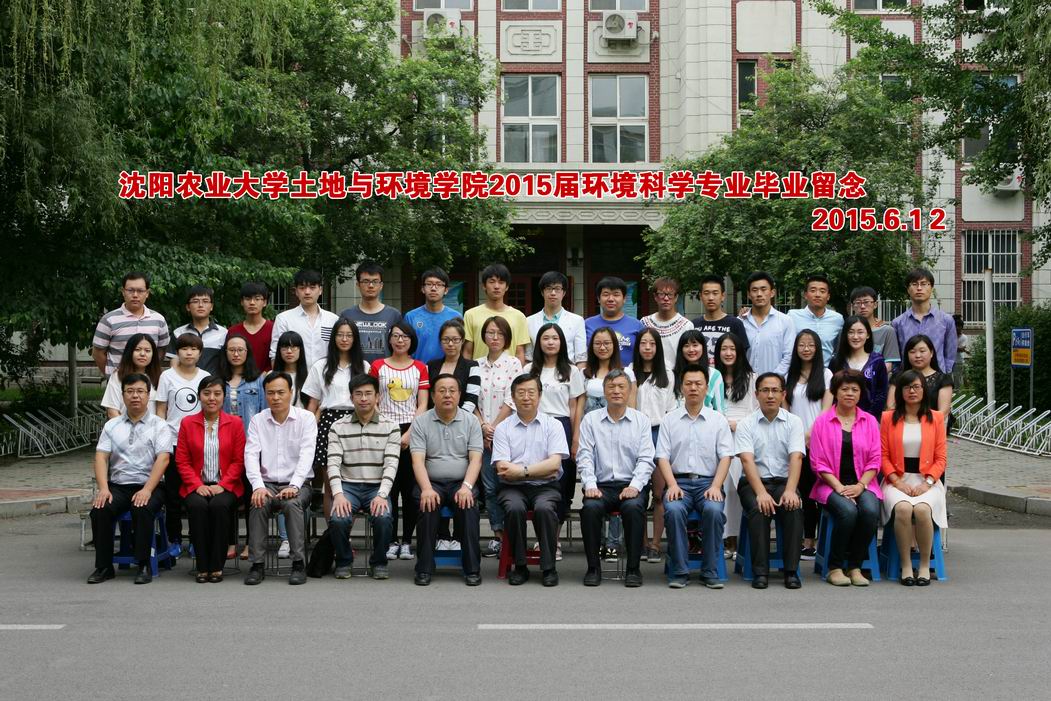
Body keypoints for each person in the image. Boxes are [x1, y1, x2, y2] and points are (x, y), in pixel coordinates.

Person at [86, 373, 171, 585]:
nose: (135, 396)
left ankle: (143, 564)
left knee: (141, 508)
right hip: (119, 486)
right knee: (100, 510)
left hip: (151, 485)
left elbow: (163, 459)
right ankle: (104, 566)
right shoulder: (112, 425)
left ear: (148, 395)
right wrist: (103, 488)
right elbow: (101, 457)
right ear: (123, 395)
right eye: (130, 391)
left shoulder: (159, 425)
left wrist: (147, 489)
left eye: (140, 391)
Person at [657, 364, 735, 589]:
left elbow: (726, 457)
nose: (693, 388)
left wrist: (716, 486)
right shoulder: (670, 420)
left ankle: (709, 571)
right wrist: (671, 485)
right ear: (681, 387)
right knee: (673, 510)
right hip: (678, 482)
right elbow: (662, 457)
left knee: (713, 510)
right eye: (689, 383)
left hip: (708, 483)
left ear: (706, 388)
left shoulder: (717, 420)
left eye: (698, 384)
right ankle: (680, 571)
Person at [576, 369, 654, 587]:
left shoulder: (641, 421)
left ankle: (633, 569)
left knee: (633, 508)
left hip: (630, 484)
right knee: (590, 508)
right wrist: (590, 484)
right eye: (611, 387)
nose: (616, 391)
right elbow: (584, 456)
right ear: (604, 391)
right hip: (601, 485)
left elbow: (646, 459)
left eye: (621, 387)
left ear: (629, 391)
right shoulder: (591, 420)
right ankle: (593, 567)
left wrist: (635, 486)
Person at [492, 374, 569, 586]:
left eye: (531, 392)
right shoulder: (503, 428)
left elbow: (554, 465)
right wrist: (538, 470)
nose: (526, 397)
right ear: (513, 397)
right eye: (521, 393)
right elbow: (503, 469)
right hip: (512, 488)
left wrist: (521, 471)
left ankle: (549, 567)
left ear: (540, 395)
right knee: (514, 508)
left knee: (544, 508)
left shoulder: (553, 425)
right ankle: (520, 565)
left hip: (546, 487)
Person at [808, 369, 883, 587]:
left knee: (870, 511)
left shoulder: (870, 421)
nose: (849, 393)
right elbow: (818, 462)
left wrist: (860, 486)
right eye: (844, 389)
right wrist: (839, 487)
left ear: (861, 393)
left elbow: (875, 460)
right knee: (848, 512)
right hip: (830, 484)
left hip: (863, 483)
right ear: (835, 392)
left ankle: (855, 566)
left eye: (855, 389)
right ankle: (835, 567)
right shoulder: (822, 422)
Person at [243, 372, 317, 586]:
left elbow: (307, 454)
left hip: (299, 483)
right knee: (258, 503)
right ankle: (257, 564)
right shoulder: (258, 420)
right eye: (270, 393)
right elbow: (250, 455)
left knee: (292, 504)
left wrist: (294, 485)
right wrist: (258, 486)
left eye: (281, 392)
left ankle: (298, 563)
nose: (275, 397)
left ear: (291, 393)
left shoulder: (306, 418)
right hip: (267, 484)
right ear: (265, 394)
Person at [411, 374, 485, 586]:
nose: (447, 395)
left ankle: (472, 568)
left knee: (468, 506)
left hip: (462, 482)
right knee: (427, 504)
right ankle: (424, 568)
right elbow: (417, 461)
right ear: (433, 395)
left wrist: (467, 487)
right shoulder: (421, 422)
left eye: (452, 390)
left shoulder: (471, 421)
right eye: (442, 390)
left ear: (459, 395)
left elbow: (476, 460)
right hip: (431, 482)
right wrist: (426, 489)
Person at [734, 372, 806, 589]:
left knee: (793, 507)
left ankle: (791, 571)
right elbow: (746, 460)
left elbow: (796, 457)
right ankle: (760, 572)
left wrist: (791, 490)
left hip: (784, 482)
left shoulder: (794, 422)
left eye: (775, 390)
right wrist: (761, 493)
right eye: (765, 390)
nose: (770, 395)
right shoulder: (746, 424)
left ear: (783, 394)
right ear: (756, 394)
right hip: (753, 483)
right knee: (759, 508)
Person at [326, 374, 400, 581]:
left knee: (383, 517)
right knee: (338, 519)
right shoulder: (338, 427)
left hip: (376, 486)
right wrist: (338, 494)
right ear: (351, 398)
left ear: (377, 396)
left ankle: (379, 562)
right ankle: (344, 561)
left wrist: (382, 495)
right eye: (358, 394)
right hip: (348, 486)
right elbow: (333, 463)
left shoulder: (391, 426)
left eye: (368, 393)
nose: (364, 398)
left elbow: (391, 464)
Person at [880, 370, 949, 586]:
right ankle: (906, 565)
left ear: (924, 390)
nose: (912, 391)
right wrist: (897, 482)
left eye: (917, 386)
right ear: (900, 391)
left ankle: (925, 566)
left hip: (927, 481)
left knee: (921, 510)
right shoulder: (888, 418)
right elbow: (883, 455)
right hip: (896, 480)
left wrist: (927, 483)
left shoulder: (936, 418)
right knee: (902, 508)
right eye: (907, 387)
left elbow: (941, 458)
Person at [523, 323, 586, 559]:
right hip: (534, 426)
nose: (550, 342)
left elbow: (575, 406)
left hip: (562, 427)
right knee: (536, 483)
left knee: (561, 484)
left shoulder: (571, 370)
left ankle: (554, 540)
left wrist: (575, 436)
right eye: (546, 338)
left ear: (562, 343)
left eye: (555, 338)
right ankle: (541, 538)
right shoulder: (529, 369)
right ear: (538, 342)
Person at [175, 376, 245, 583]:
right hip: (196, 485)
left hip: (227, 486)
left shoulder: (235, 423)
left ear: (224, 396)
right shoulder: (187, 423)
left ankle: (216, 566)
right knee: (197, 506)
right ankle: (202, 566)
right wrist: (197, 485)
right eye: (206, 393)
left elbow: (238, 461)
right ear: (199, 396)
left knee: (219, 506)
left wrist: (223, 485)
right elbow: (182, 461)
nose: (211, 398)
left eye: (217, 393)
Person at [369, 321, 430, 561]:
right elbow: (373, 400)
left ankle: (406, 541)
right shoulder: (378, 366)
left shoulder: (420, 368)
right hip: (384, 429)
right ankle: (391, 540)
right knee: (389, 488)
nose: (400, 340)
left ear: (411, 340)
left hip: (412, 430)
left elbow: (423, 404)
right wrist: (388, 429)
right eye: (395, 336)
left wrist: (409, 433)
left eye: (405, 336)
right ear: (389, 339)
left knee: (410, 488)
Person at [303, 317, 369, 514]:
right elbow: (313, 403)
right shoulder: (321, 366)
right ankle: (332, 531)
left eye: (349, 335)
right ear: (333, 338)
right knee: (330, 484)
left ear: (355, 339)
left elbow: (372, 400)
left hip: (356, 421)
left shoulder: (364, 366)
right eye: (340, 335)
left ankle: (345, 531)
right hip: (328, 423)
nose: (344, 339)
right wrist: (308, 429)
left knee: (351, 485)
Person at [155, 333, 210, 554]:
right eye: (185, 348)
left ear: (200, 353)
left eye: (194, 349)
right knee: (173, 494)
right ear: (177, 352)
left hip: (198, 443)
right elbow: (161, 410)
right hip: (172, 442)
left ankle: (197, 539)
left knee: (197, 493)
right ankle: (175, 539)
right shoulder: (166, 376)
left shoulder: (205, 377)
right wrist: (160, 440)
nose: (189, 353)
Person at [475, 316, 523, 560]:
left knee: (508, 483)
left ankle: (513, 535)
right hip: (480, 434)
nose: (494, 337)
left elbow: (512, 399)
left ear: (507, 338)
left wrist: (493, 428)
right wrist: (483, 427)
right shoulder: (475, 365)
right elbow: (471, 400)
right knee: (489, 487)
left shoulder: (514, 363)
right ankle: (497, 536)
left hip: (506, 434)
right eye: (490, 332)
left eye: (500, 333)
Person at [784, 329, 833, 559]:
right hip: (796, 443)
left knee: (819, 491)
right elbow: (786, 410)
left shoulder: (826, 374)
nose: (806, 349)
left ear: (817, 349)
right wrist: (798, 437)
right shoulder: (789, 376)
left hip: (820, 442)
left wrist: (810, 434)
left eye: (811, 345)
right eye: (802, 344)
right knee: (803, 491)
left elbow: (826, 410)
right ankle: (807, 541)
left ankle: (822, 540)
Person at [217, 334, 265, 561]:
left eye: (240, 350)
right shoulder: (218, 381)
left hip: (251, 446)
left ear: (247, 353)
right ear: (225, 353)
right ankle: (229, 541)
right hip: (224, 446)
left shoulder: (258, 381)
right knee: (227, 495)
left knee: (250, 497)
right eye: (232, 350)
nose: (236, 354)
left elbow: (264, 414)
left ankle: (250, 542)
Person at [632, 327, 677, 563]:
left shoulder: (667, 374)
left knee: (659, 494)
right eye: (643, 343)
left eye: (652, 344)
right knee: (638, 492)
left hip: (660, 433)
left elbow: (671, 410)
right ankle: (640, 543)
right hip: (636, 433)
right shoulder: (630, 372)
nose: (648, 348)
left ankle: (656, 544)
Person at [714, 332, 759, 558]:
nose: (728, 353)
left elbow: (757, 411)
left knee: (738, 487)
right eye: (724, 349)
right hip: (718, 435)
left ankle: (740, 540)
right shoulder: (713, 377)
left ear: (740, 352)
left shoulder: (751, 378)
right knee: (722, 487)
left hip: (743, 436)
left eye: (732, 348)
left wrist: (737, 425)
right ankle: (725, 540)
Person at [92, 272, 171, 377]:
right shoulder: (109, 320)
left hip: (148, 381)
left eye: (140, 291)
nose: (135, 295)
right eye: (130, 290)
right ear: (123, 292)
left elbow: (162, 349)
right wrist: (111, 376)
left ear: (147, 293)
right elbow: (98, 353)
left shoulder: (159, 320)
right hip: (118, 381)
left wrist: (152, 371)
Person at [269, 268, 339, 369]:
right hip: (294, 376)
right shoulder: (284, 319)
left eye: (312, 287)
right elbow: (275, 354)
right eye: (302, 288)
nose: (307, 292)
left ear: (320, 290)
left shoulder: (333, 319)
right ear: (296, 291)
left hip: (325, 376)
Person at [891, 268, 957, 373]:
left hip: (938, 379)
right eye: (914, 284)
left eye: (924, 284)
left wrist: (944, 375)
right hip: (908, 379)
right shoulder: (897, 323)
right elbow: (895, 358)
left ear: (931, 288)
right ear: (908, 289)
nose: (919, 288)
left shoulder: (946, 320)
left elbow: (950, 355)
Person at [462, 263, 529, 364]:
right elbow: (467, 352)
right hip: (479, 371)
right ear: (484, 286)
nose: (496, 286)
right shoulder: (470, 315)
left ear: (507, 287)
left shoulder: (518, 316)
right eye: (492, 282)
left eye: (501, 282)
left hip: (509, 372)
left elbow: (519, 353)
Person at [340, 261, 403, 365]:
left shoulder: (394, 315)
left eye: (375, 281)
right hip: (354, 370)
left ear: (381, 285)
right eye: (366, 281)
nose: (370, 285)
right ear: (358, 285)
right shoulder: (347, 315)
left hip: (385, 371)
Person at [829, 316, 888, 419]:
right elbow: (831, 392)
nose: (855, 337)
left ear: (868, 334)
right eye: (851, 332)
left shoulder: (877, 361)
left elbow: (881, 393)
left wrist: (869, 418)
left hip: (869, 419)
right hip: (841, 419)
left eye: (860, 332)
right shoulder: (836, 361)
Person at [526, 271, 587, 365]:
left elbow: (581, 358)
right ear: (542, 292)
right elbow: (528, 357)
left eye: (557, 289)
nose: (553, 293)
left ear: (564, 293)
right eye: (549, 288)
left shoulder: (577, 321)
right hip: (538, 371)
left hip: (567, 371)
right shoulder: (529, 321)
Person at [740, 271, 795, 377]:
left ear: (772, 292)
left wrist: (773, 379)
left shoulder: (785, 321)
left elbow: (789, 356)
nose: (759, 294)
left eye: (763, 289)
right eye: (754, 290)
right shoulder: (740, 322)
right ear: (749, 294)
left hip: (775, 383)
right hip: (745, 382)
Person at [404, 267, 463, 365]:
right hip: (418, 370)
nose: (433, 288)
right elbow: (405, 348)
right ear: (423, 289)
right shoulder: (411, 317)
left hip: (446, 370)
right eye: (429, 284)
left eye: (439, 284)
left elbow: (460, 347)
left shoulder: (456, 316)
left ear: (446, 290)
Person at [887, 334, 954, 417]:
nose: (918, 356)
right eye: (912, 352)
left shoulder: (943, 380)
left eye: (922, 351)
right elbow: (891, 407)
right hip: (902, 423)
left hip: (933, 423)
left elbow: (943, 412)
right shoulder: (898, 378)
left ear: (931, 353)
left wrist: (920, 423)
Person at [166, 284, 227, 374]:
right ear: (188, 307)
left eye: (205, 301)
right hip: (185, 382)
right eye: (195, 301)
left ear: (211, 306)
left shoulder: (223, 333)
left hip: (214, 382)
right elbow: (174, 365)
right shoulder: (178, 333)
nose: (200, 305)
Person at [585, 276, 644, 368]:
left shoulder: (637, 326)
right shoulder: (587, 325)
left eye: (616, 294)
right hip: (595, 375)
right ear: (598, 299)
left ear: (624, 298)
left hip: (627, 375)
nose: (611, 299)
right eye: (606, 294)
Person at [787, 274, 843, 368]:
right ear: (805, 295)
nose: (817, 295)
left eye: (822, 291)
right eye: (813, 290)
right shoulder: (792, 316)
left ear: (828, 296)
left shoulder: (837, 319)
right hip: (798, 371)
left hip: (826, 372)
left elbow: (840, 348)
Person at [693, 274, 749, 366]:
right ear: (701, 296)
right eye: (706, 293)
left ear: (723, 296)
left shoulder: (735, 324)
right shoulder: (693, 325)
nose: (711, 298)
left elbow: (741, 356)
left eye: (715, 293)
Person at [426, 320, 480, 417]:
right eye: (446, 339)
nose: (450, 344)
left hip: (462, 420)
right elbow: (426, 398)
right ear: (440, 341)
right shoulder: (430, 366)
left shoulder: (472, 366)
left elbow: (471, 399)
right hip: (432, 419)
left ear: (462, 341)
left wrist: (457, 419)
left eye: (455, 339)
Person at [101, 333, 162, 419]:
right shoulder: (118, 376)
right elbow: (112, 411)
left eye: (147, 350)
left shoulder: (161, 378)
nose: (142, 354)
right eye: (137, 349)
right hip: (123, 426)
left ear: (153, 354)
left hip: (153, 427)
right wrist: (125, 427)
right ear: (129, 352)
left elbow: (162, 410)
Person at [642, 277, 693, 372]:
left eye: (670, 294)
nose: (666, 298)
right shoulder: (644, 323)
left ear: (676, 297)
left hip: (677, 375)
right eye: (661, 294)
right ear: (655, 297)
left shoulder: (686, 325)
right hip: (649, 375)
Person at [672, 329, 725, 412]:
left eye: (695, 345)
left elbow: (719, 409)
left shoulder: (714, 375)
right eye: (686, 346)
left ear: (703, 347)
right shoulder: (672, 375)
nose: (691, 349)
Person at [849, 286, 899, 373]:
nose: (862, 306)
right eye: (858, 303)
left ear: (875, 304)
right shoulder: (846, 331)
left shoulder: (887, 331)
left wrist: (868, 376)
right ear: (852, 306)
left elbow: (889, 363)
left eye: (866, 302)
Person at [228, 281, 274, 373]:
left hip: (267, 379)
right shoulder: (233, 331)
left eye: (257, 299)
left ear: (265, 302)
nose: (252, 303)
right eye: (248, 299)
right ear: (242, 302)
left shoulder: (274, 329)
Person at [272, 331, 309, 409]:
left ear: (300, 350)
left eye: (294, 347)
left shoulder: (309, 376)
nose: (289, 351)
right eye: (285, 347)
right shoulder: (271, 376)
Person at [952, 314, 970, 389]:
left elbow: (961, 349)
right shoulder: (949, 336)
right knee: (948, 379)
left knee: (957, 380)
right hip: (948, 361)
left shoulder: (964, 337)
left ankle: (957, 393)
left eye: (959, 326)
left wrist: (954, 348)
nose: (957, 328)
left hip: (958, 361)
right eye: (956, 326)